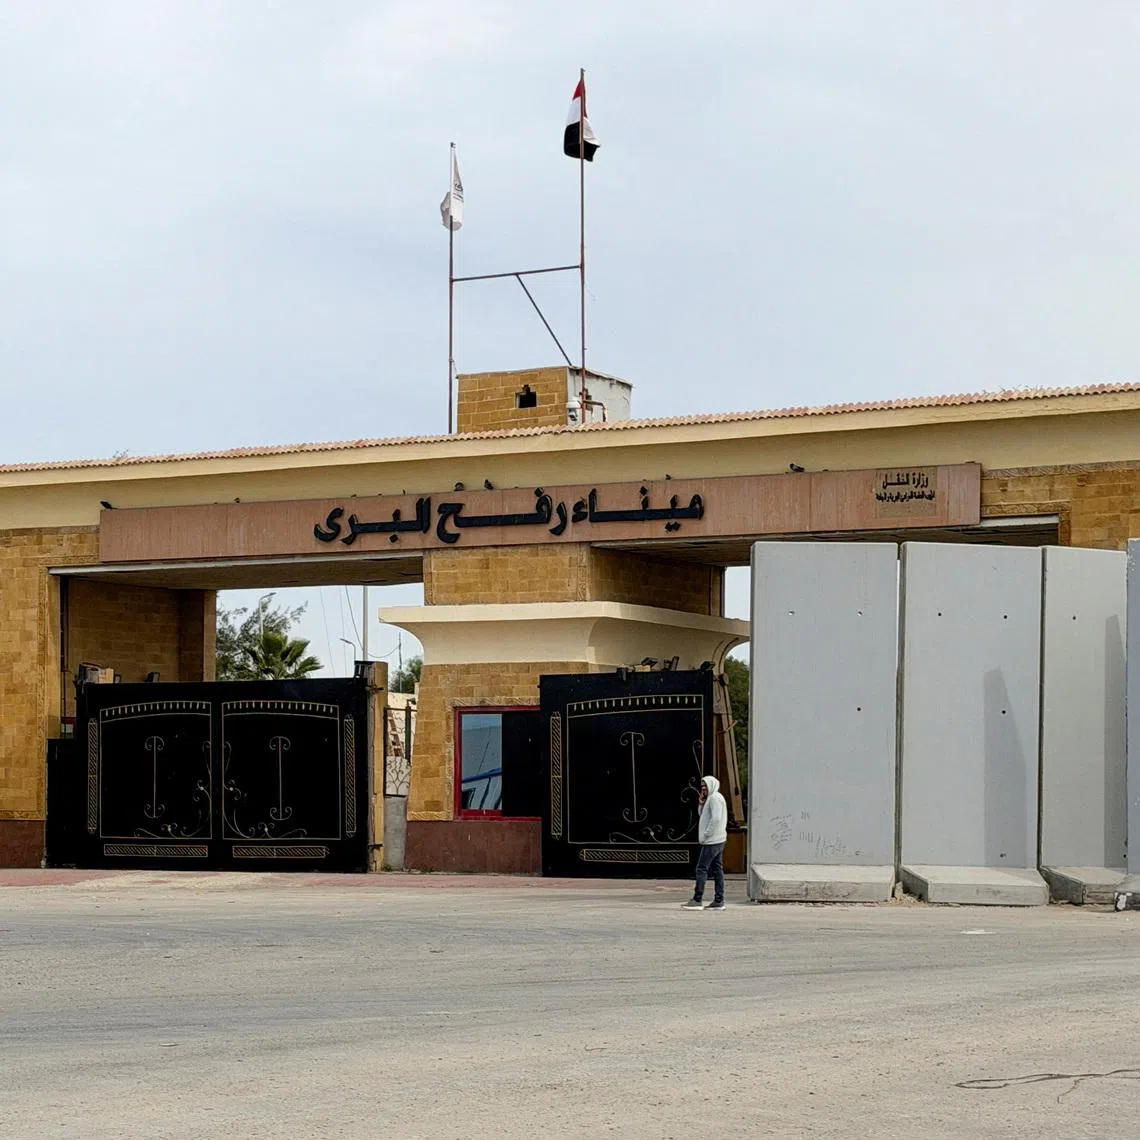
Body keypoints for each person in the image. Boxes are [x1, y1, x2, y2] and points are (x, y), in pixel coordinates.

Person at [683, 775, 727, 910]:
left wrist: (707, 833)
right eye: (702, 786)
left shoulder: (714, 798)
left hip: (712, 841)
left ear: (711, 786)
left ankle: (697, 899)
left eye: (705, 786)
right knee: (717, 869)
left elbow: (716, 819)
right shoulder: (712, 798)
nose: (703, 788)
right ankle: (719, 900)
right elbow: (703, 814)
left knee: (701, 868)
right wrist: (701, 803)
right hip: (717, 840)